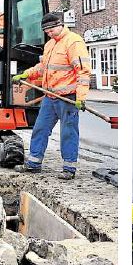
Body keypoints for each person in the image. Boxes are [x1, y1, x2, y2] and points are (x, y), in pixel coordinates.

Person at [12, 13, 91, 180]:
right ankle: (34, 163)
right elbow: (43, 68)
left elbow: (83, 72)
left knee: (68, 132)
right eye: (46, 31)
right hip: (50, 96)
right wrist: (26, 75)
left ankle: (69, 168)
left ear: (60, 25)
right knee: (40, 129)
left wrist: (81, 97)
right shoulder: (50, 45)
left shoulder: (73, 42)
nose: (49, 33)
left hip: (67, 97)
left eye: (51, 29)